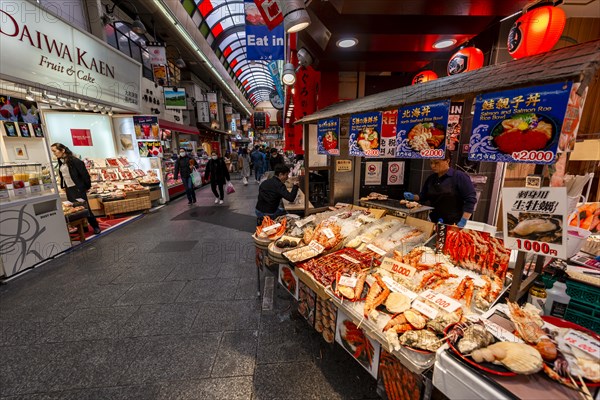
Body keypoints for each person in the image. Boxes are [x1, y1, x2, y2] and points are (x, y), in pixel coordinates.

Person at [404, 151, 476, 227]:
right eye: (431, 163)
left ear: (447, 161)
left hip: (454, 223)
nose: (433, 166)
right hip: (433, 221)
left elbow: (470, 200)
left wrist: (463, 220)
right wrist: (413, 197)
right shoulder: (431, 178)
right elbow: (423, 196)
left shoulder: (459, 176)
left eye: (436, 163)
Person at [51, 143, 101, 234]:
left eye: (55, 151)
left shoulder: (76, 161)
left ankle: (95, 226)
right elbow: (63, 176)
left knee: (85, 208)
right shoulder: (61, 161)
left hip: (78, 188)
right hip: (69, 189)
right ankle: (83, 227)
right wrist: (63, 186)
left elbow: (85, 175)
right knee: (75, 208)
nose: (54, 153)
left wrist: (86, 187)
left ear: (63, 150)